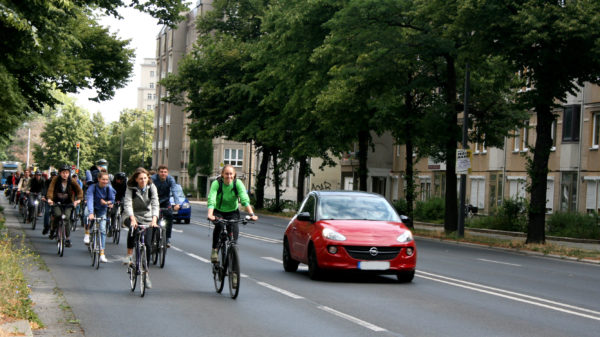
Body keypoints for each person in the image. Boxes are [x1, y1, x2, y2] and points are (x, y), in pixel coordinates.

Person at [207, 165, 258, 263]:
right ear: (222, 174)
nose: (229, 176)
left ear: (234, 175)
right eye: (226, 174)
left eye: (231, 174)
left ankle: (233, 270)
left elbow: (244, 199)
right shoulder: (216, 183)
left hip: (232, 212)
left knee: (234, 238)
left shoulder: (238, 183)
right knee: (219, 225)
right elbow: (212, 199)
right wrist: (210, 214)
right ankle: (215, 250)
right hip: (218, 211)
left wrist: (252, 214)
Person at [123, 167, 159, 288]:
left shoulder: (152, 187)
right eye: (140, 179)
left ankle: (146, 273)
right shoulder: (130, 188)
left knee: (148, 245)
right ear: (136, 180)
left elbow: (155, 203)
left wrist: (154, 219)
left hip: (148, 217)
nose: (143, 181)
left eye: (145, 178)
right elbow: (127, 203)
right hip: (132, 215)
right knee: (133, 229)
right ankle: (129, 255)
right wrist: (132, 218)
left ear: (148, 178)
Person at [47, 165, 83, 247]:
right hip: (57, 202)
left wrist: (78, 200)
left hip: (68, 203)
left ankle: (67, 238)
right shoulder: (55, 179)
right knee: (57, 215)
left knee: (66, 218)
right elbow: (50, 189)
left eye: (67, 173)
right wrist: (49, 199)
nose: (65, 174)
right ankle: (53, 230)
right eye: (63, 172)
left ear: (69, 173)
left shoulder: (72, 181)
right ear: (60, 173)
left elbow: (79, 191)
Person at [86, 171, 116, 263]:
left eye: (107, 179)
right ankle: (87, 233)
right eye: (103, 179)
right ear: (98, 179)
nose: (105, 181)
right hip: (92, 208)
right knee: (85, 214)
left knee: (102, 230)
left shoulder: (109, 188)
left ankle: (102, 254)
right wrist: (91, 213)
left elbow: (112, 199)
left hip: (102, 209)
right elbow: (90, 199)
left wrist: (108, 203)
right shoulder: (93, 187)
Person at [150, 165, 180, 247]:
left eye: (165, 172)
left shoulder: (170, 179)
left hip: (165, 202)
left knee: (170, 216)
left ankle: (167, 238)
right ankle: (151, 237)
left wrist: (177, 203)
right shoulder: (153, 179)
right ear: (158, 172)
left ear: (167, 173)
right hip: (153, 201)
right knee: (152, 218)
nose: (163, 174)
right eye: (161, 172)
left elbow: (174, 191)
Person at [42, 171, 57, 235]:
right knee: (47, 213)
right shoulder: (47, 181)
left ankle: (55, 228)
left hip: (56, 200)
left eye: (55, 177)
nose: (54, 178)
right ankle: (46, 227)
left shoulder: (59, 182)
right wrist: (43, 196)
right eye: (53, 177)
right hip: (48, 199)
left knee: (57, 214)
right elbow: (45, 189)